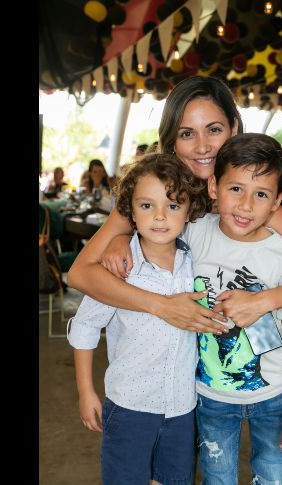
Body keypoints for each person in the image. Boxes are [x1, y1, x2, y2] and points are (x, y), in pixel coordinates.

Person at [67, 75, 282, 339]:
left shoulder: (249, 205)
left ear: (233, 129)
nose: (203, 147)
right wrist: (161, 304)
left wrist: (264, 300)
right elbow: (81, 274)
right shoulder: (154, 190)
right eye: (187, 133)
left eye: (213, 130)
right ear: (172, 141)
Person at [67, 153, 209, 485]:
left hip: (182, 408)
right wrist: (85, 391)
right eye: (147, 206)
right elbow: (86, 325)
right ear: (130, 211)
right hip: (130, 406)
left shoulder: (195, 267)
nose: (160, 217)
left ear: (190, 211)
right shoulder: (119, 269)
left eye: (173, 206)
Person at [184, 133, 282, 484]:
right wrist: (118, 243)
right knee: (217, 478)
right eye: (235, 189)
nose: (246, 205)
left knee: (271, 478)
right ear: (213, 186)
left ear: (277, 201)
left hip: (272, 395)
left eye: (261, 194)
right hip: (210, 396)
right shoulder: (192, 233)